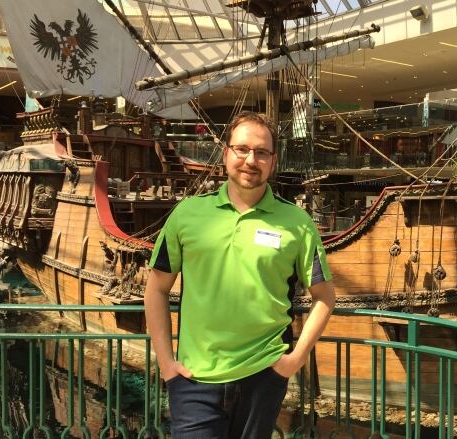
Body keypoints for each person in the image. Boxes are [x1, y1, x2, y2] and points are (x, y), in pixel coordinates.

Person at [144, 111, 336, 439]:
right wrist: (166, 364)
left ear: (273, 161)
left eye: (261, 152)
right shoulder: (188, 214)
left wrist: (295, 359)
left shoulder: (297, 223)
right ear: (226, 153)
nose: (251, 160)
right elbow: (156, 289)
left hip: (264, 377)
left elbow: (324, 297)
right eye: (242, 149)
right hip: (194, 380)